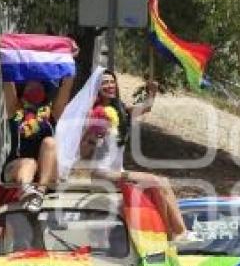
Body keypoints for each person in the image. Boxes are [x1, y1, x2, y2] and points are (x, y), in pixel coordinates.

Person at [73, 72, 186, 239]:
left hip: (118, 171)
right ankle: (169, 234)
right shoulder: (92, 114)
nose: (110, 85)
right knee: (153, 181)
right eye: (105, 83)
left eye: (112, 82)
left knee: (164, 182)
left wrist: (152, 91)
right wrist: (94, 136)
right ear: (97, 87)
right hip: (101, 173)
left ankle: (182, 233)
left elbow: (146, 107)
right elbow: (82, 153)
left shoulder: (121, 112)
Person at [2, 77, 74, 211]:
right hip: (17, 166)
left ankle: (39, 193)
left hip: (46, 171)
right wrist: (6, 58)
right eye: (30, 87)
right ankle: (27, 191)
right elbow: (8, 81)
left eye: (40, 87)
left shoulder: (52, 114)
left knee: (50, 142)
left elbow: (65, 89)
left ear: (46, 91)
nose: (35, 89)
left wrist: (69, 64)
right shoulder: (15, 111)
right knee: (30, 163)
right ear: (23, 90)